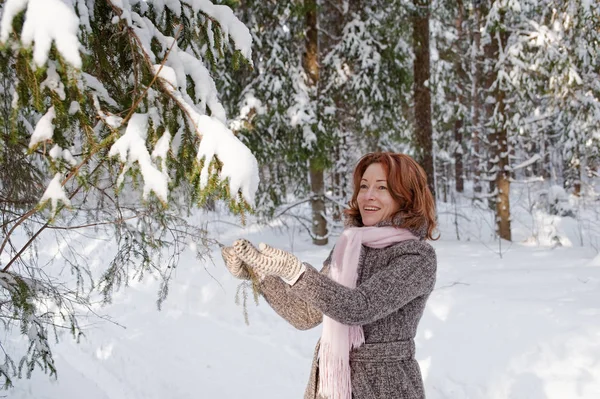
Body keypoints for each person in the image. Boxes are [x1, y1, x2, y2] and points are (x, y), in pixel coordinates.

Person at [221, 152, 438, 399]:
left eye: (382, 187)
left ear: (406, 197)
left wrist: (295, 272)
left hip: (384, 387)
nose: (368, 195)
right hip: (329, 386)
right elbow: (304, 314)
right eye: (364, 186)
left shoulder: (417, 257)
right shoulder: (349, 247)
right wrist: (259, 272)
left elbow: (358, 306)